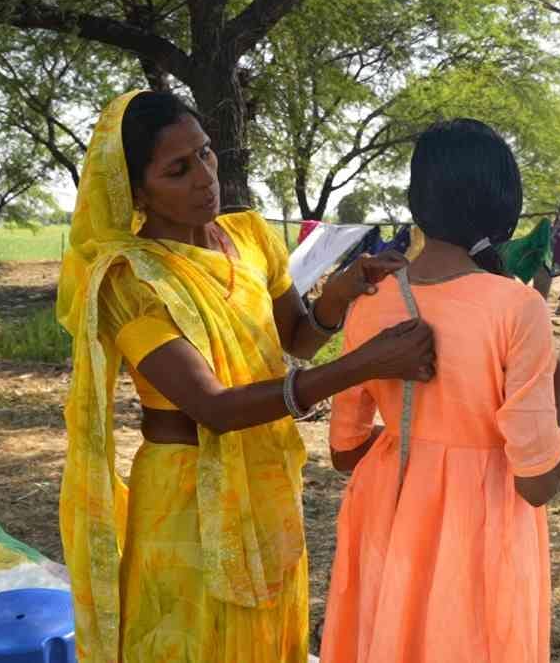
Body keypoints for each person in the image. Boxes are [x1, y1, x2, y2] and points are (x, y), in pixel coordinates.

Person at [55, 89, 436, 662]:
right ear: (136, 190)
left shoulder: (250, 236)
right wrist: (363, 365)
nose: (205, 177)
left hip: (264, 477)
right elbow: (215, 408)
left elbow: (296, 339)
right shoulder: (129, 280)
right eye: (178, 169)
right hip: (183, 497)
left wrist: (338, 294)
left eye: (205, 155)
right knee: (189, 640)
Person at [321, 119, 560, 662]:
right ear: (505, 206)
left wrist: (417, 449)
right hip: (479, 517)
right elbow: (537, 483)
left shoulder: (371, 300)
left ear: (417, 203)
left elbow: (344, 453)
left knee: (389, 634)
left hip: (385, 505)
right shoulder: (517, 307)